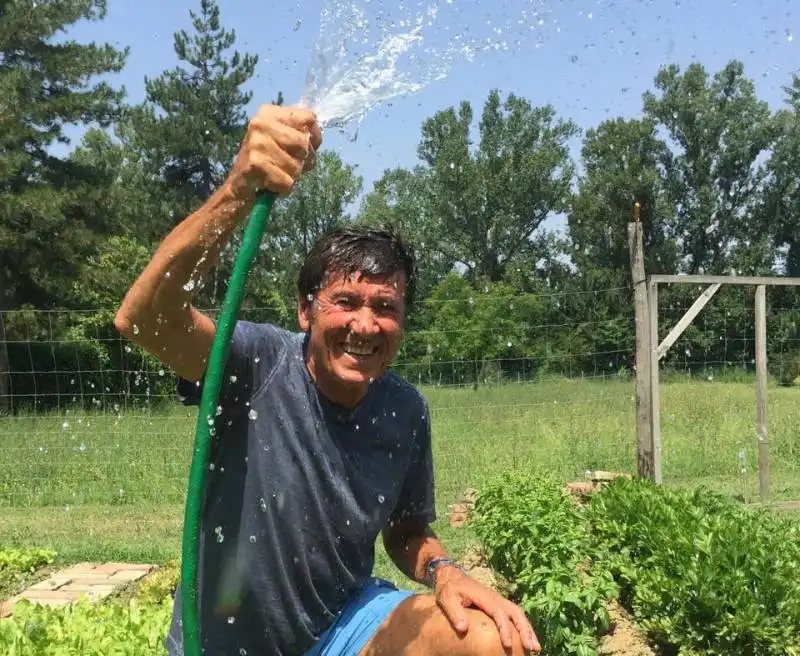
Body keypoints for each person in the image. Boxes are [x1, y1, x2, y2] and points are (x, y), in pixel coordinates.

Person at [115, 103, 540, 656]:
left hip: (345, 628)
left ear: (403, 322)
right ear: (305, 310)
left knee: (488, 641)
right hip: (226, 640)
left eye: (385, 306)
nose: (365, 324)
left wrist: (445, 571)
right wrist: (239, 188)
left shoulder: (405, 410)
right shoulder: (257, 363)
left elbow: (406, 531)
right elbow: (145, 320)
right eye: (345, 301)